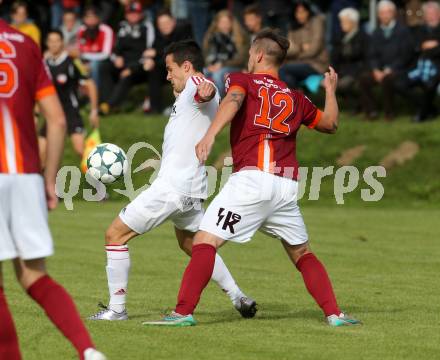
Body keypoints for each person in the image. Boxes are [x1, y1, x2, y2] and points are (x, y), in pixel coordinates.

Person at [143, 29, 361, 327]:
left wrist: (210, 134)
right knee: (302, 253)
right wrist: (331, 90)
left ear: (258, 55)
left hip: (251, 182)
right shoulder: (297, 98)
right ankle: (335, 314)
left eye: (249, 54)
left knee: (204, 241)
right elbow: (331, 124)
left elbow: (233, 101)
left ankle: (182, 313)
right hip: (285, 187)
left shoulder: (242, 80)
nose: (247, 58)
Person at [88, 40, 257, 321]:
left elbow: (206, 89)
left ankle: (116, 310)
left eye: (170, 69)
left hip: (173, 188)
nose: (167, 76)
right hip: (191, 189)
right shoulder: (184, 97)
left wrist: (207, 89)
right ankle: (238, 297)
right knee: (193, 245)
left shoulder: (196, 84)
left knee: (114, 235)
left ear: (187, 66)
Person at [0, 19, 105, 360]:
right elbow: (57, 121)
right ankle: (87, 349)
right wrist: (49, 180)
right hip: (26, 176)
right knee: (34, 275)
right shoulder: (27, 45)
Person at [39, 30, 99, 164]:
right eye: (51, 41)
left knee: (81, 150)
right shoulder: (44, 64)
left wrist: (94, 111)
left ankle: (99, 179)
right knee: (41, 152)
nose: (54, 44)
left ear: (62, 43)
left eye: (57, 41)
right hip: (52, 114)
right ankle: (44, 184)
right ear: (47, 43)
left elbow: (90, 85)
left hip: (70, 111)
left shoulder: (72, 62)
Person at [358, 0, 414, 120]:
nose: (384, 15)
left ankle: (389, 112)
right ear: (378, 15)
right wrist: (375, 69)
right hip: (380, 69)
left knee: (388, 79)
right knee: (364, 79)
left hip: (399, 69)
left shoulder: (403, 31)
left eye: (387, 12)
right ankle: (371, 111)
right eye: (382, 13)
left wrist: (390, 69)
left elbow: (406, 55)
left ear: (393, 13)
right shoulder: (376, 33)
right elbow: (372, 55)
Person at [99, 1, 155, 115]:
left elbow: (149, 52)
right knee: (104, 67)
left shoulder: (147, 27)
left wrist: (132, 68)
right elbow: (114, 49)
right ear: (126, 14)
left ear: (141, 14)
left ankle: (109, 105)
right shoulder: (121, 26)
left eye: (136, 13)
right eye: (130, 13)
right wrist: (116, 58)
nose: (133, 15)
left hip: (140, 66)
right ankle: (107, 103)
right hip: (123, 63)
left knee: (127, 75)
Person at [142, 8, 193, 114]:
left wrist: (156, 53)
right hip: (165, 69)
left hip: (182, 69)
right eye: (161, 24)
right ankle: (154, 108)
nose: (164, 26)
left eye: (167, 22)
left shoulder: (183, 31)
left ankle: (185, 108)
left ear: (173, 21)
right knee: (153, 70)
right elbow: (156, 55)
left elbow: (179, 54)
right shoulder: (158, 36)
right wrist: (150, 61)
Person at [401, 1, 440, 122]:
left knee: (430, 84)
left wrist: (431, 47)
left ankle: (422, 114)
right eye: (428, 14)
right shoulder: (418, 30)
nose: (430, 16)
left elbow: (423, 48)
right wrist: (431, 46)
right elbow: (415, 47)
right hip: (419, 66)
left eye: (433, 13)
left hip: (437, 67)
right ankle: (430, 109)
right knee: (399, 83)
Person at [279, 0, 329, 89]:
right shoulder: (292, 27)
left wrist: (296, 53)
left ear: (308, 11)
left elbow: (314, 49)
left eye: (303, 12)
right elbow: (289, 49)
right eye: (297, 12)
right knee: (284, 74)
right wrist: (301, 47)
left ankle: (296, 98)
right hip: (297, 63)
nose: (300, 15)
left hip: (315, 64)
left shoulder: (316, 22)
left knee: (283, 70)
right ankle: (299, 98)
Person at [203, 10, 249, 96]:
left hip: (235, 66)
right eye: (222, 22)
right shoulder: (211, 37)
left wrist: (222, 64)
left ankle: (220, 101)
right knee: (201, 73)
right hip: (215, 66)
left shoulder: (240, 37)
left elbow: (242, 59)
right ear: (217, 23)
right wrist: (211, 65)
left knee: (218, 74)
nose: (224, 25)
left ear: (232, 23)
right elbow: (207, 55)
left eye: (227, 22)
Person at [332, 8, 368, 92]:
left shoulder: (363, 37)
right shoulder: (340, 37)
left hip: (355, 72)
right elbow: (334, 58)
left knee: (342, 85)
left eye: (344, 22)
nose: (341, 24)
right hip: (340, 72)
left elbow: (363, 58)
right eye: (341, 21)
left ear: (353, 22)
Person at [77, 6, 114, 88]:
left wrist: (86, 58)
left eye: (93, 17)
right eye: (88, 17)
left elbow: (106, 54)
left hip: (104, 61)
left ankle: (95, 92)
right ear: (84, 19)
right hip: (85, 60)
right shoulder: (81, 30)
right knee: (75, 62)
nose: (90, 20)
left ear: (98, 19)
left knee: (94, 65)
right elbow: (79, 50)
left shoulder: (106, 30)